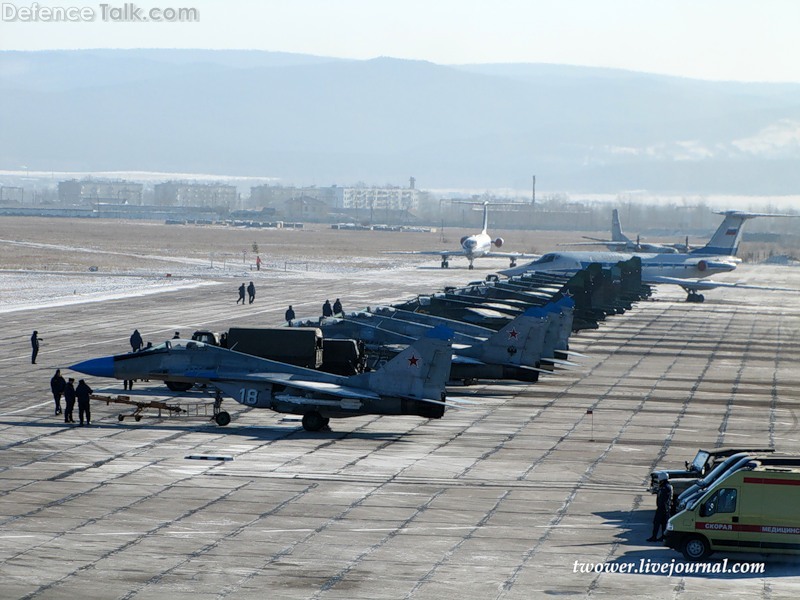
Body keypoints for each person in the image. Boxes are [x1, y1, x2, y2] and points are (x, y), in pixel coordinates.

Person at [647, 472, 673, 542]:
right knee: (663, 523)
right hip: (664, 508)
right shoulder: (666, 486)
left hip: (663, 508)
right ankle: (662, 537)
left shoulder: (665, 487)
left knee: (657, 522)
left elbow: (663, 497)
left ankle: (655, 537)